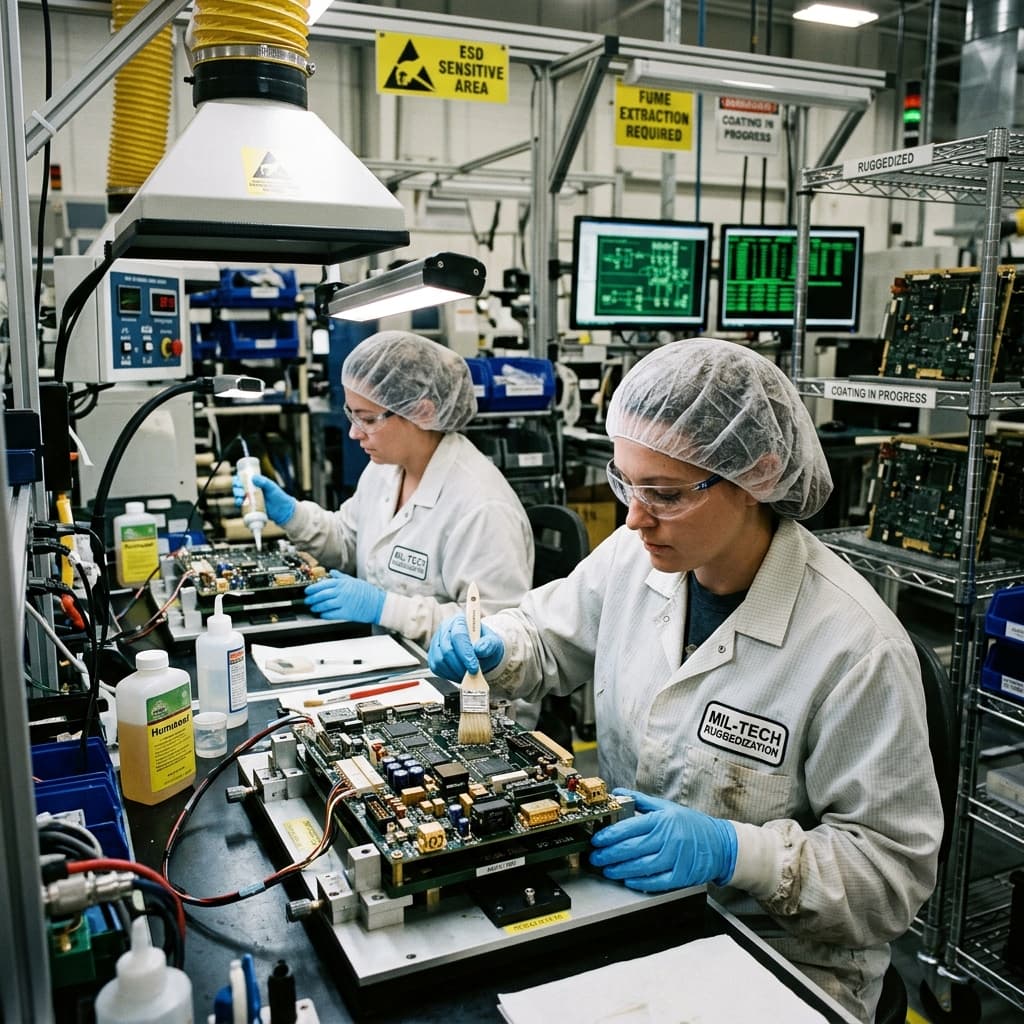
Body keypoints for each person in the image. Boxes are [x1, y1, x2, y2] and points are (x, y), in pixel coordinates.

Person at [427, 337, 943, 1023]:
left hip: (782, 958)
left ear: (757, 473)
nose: (634, 517)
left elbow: (889, 879)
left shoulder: (856, 648)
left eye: (664, 494)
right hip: (624, 907)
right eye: (626, 484)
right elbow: (548, 636)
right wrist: (496, 646)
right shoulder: (636, 558)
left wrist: (737, 853)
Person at [234, 330, 534, 647]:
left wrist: (386, 608)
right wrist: (291, 514)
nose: (353, 433)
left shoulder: (482, 508)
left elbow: (495, 634)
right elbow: (349, 540)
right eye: (352, 415)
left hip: (455, 687)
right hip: (387, 658)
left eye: (367, 419)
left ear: (423, 411)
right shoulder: (386, 469)